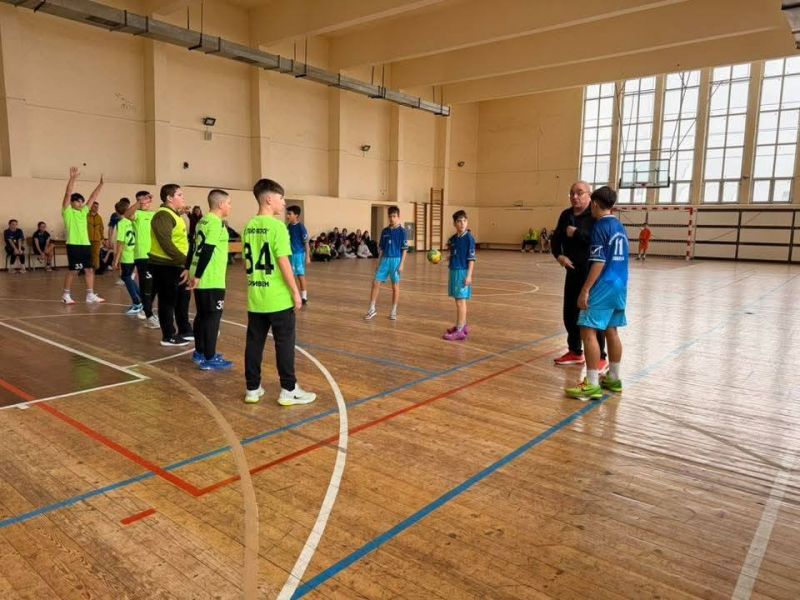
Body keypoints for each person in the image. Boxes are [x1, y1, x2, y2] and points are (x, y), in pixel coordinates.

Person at [243, 178, 316, 406]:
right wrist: (296, 292)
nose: (284, 203)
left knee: (254, 344)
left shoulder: (248, 226)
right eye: (281, 198)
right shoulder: (277, 227)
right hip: (278, 298)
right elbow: (284, 263)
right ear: (268, 199)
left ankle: (252, 389)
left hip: (256, 297)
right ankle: (288, 389)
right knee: (284, 344)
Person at [566, 186, 627, 399]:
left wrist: (585, 290)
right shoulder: (619, 226)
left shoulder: (600, 227)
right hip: (620, 285)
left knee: (587, 331)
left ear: (593, 203)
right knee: (611, 330)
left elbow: (599, 262)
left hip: (603, 286)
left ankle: (591, 383)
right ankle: (614, 378)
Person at [551, 181, 607, 370]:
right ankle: (575, 351)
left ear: (589, 195)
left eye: (579, 193)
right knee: (570, 313)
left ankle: (600, 356)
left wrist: (577, 233)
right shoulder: (565, 215)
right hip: (572, 272)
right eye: (572, 193)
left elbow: (598, 241)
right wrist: (559, 256)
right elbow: (555, 239)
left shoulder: (595, 215)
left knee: (592, 314)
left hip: (592, 274)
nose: (574, 196)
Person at [189, 189, 233, 371]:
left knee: (202, 315)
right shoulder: (215, 222)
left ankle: (200, 352)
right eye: (229, 203)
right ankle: (210, 357)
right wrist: (199, 275)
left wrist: (190, 270)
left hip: (200, 274)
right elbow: (207, 250)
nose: (230, 206)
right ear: (221, 204)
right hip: (211, 276)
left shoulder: (202, 221)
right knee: (213, 317)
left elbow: (193, 246)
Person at [148, 184, 193, 347]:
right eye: (179, 195)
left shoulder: (174, 215)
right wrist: (185, 261)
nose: (183, 197)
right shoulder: (162, 216)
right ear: (169, 198)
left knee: (182, 298)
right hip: (165, 265)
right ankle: (168, 335)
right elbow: (165, 242)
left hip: (177, 265)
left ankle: (185, 330)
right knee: (167, 300)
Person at [61, 168, 105, 304]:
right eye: (78, 201)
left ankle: (90, 294)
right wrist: (72, 178)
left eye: (81, 201)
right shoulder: (67, 212)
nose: (81, 203)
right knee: (74, 271)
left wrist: (101, 184)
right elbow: (68, 193)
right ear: (72, 203)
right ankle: (66, 295)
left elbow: (93, 197)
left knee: (89, 270)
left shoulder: (84, 211)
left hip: (85, 244)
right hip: (73, 245)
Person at [364, 206, 407, 321]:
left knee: (395, 286)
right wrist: (378, 263)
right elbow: (382, 249)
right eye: (390, 216)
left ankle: (393, 311)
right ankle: (372, 309)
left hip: (396, 261)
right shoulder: (385, 231)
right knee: (375, 283)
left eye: (394, 216)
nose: (392, 218)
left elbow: (404, 249)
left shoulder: (402, 232)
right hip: (384, 261)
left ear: (398, 217)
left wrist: (402, 264)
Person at [126, 191, 159, 328]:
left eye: (147, 199)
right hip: (142, 256)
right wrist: (139, 202)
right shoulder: (137, 214)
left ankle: (146, 310)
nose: (145, 202)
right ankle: (149, 315)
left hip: (155, 255)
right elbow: (127, 214)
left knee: (155, 285)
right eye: (141, 200)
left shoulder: (155, 214)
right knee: (146, 286)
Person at [443, 210, 476, 341]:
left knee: (460, 302)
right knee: (458, 300)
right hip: (453, 270)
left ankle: (460, 331)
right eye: (459, 221)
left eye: (464, 221)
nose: (462, 223)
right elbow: (453, 254)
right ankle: (461, 325)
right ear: (454, 223)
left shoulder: (469, 238)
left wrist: (469, 276)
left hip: (462, 272)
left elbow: (471, 259)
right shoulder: (453, 239)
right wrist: (444, 258)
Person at [112, 199, 142, 315]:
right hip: (134, 253)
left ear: (117, 212)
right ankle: (141, 298)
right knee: (127, 277)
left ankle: (137, 302)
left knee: (126, 277)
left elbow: (120, 242)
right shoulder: (132, 221)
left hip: (127, 255)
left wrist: (116, 260)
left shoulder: (122, 223)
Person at [286, 205, 311, 304]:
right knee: (291, 275)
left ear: (296, 215)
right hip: (290, 254)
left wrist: (307, 256)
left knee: (300, 275)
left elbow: (306, 243)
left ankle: (304, 297)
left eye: (289, 214)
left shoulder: (301, 227)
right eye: (287, 214)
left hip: (299, 255)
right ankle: (294, 294)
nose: (287, 216)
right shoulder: (288, 226)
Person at [87, 201, 104, 270]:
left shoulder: (99, 217)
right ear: (91, 207)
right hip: (87, 239)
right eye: (94, 206)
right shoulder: (86, 216)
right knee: (87, 254)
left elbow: (101, 228)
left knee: (96, 254)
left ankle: (96, 268)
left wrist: (102, 238)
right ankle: (87, 268)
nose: (96, 208)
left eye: (97, 207)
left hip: (97, 239)